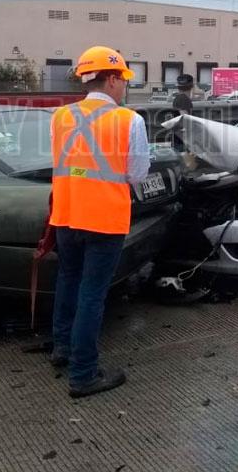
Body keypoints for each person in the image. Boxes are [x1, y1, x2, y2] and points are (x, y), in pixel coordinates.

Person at [49, 45, 149, 398]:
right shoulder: (128, 120)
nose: (124, 87)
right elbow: (137, 174)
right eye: (122, 80)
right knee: (92, 295)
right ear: (110, 80)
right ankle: (83, 374)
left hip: (65, 215)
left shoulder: (60, 116)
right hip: (104, 219)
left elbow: (66, 163)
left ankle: (61, 349)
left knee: (68, 281)